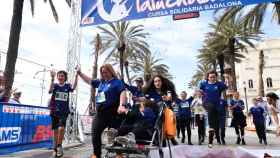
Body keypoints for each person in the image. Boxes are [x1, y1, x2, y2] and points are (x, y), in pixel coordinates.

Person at [77, 64, 126, 158]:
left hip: (113, 113)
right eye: (102, 72)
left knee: (115, 134)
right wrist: (80, 73)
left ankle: (119, 154)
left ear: (111, 72)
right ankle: (96, 154)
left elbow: (122, 93)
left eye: (106, 72)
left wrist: (121, 105)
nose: (104, 74)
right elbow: (89, 81)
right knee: (95, 132)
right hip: (100, 113)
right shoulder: (101, 82)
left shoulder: (117, 82)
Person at [48, 70, 78, 157]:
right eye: (59, 76)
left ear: (65, 78)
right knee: (55, 130)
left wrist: (76, 76)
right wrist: (52, 79)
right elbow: (50, 91)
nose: (60, 77)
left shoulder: (67, 86)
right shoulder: (55, 85)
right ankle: (55, 148)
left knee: (61, 128)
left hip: (64, 111)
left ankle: (59, 146)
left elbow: (73, 88)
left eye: (62, 76)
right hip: (54, 110)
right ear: (57, 77)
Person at [143, 74, 178, 146]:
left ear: (162, 82)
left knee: (166, 120)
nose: (157, 83)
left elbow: (170, 97)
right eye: (155, 81)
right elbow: (146, 100)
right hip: (154, 112)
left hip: (165, 111)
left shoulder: (167, 91)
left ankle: (171, 138)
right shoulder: (150, 92)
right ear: (153, 83)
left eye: (159, 81)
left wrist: (169, 99)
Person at [199, 70, 227, 148]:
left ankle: (217, 137)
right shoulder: (204, 84)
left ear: (216, 77)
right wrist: (200, 94)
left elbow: (226, 85)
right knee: (211, 122)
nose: (212, 78)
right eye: (210, 77)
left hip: (217, 106)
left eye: (214, 77)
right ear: (208, 77)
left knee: (216, 125)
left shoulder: (219, 84)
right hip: (207, 104)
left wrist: (228, 78)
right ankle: (210, 141)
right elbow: (200, 90)